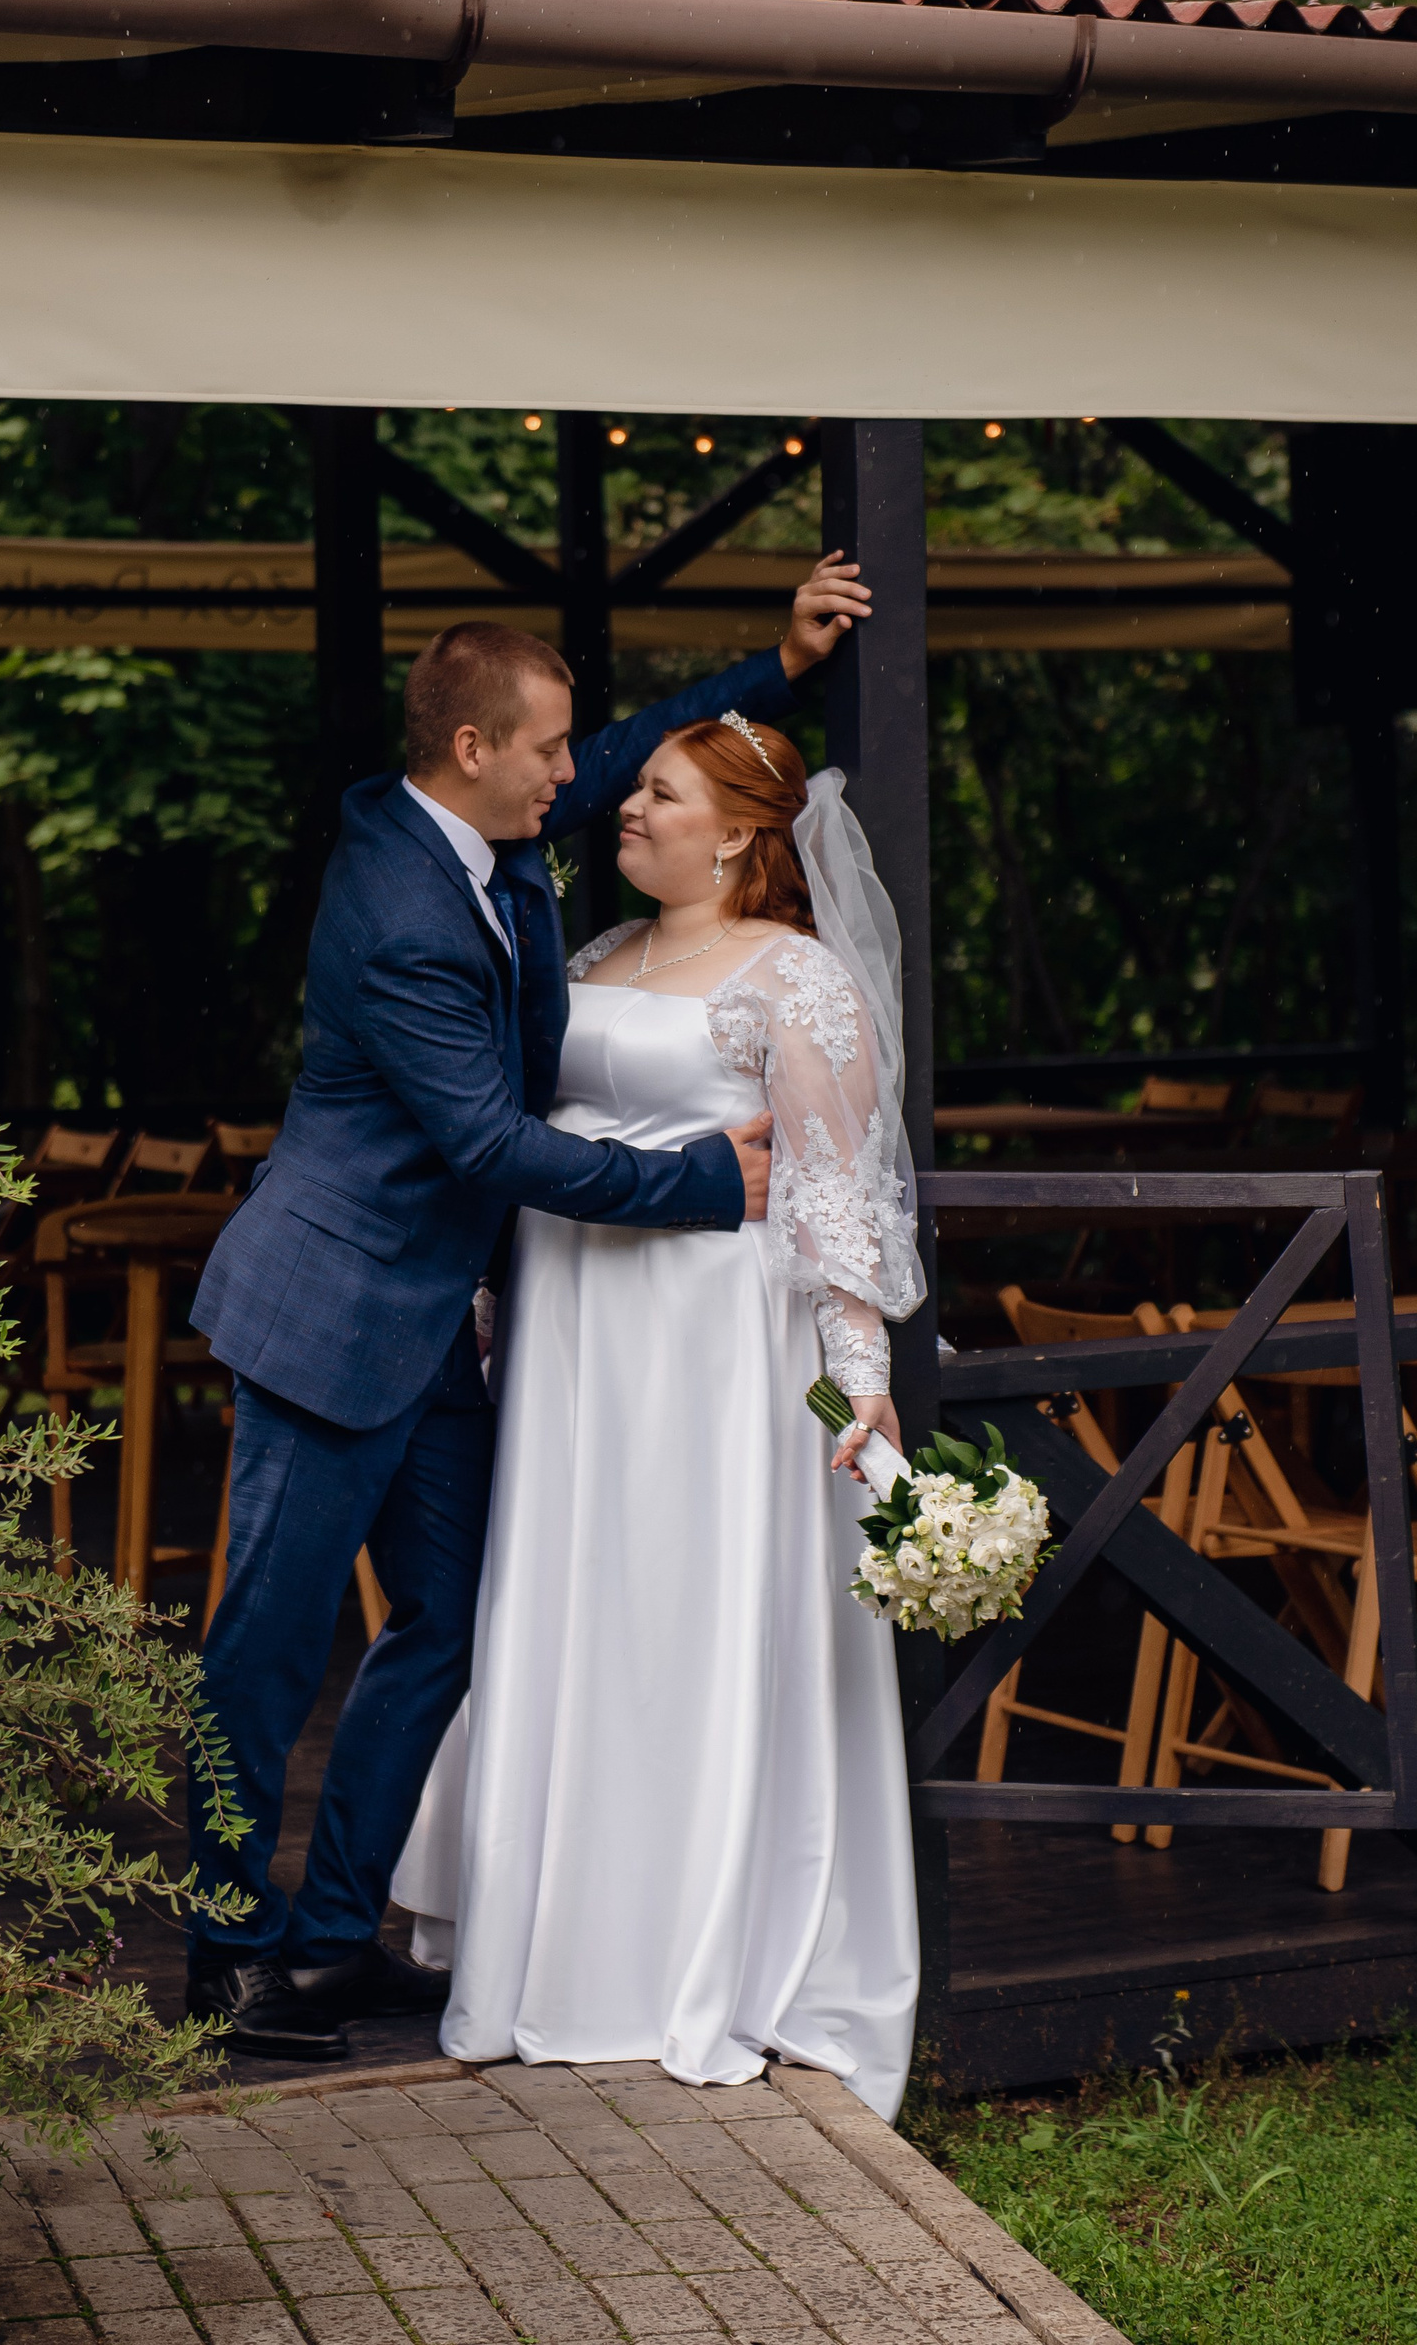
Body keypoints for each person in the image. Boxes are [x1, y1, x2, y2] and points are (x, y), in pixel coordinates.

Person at [185, 557, 871, 2061]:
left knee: (446, 1623)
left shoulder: (476, 822)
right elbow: (492, 1148)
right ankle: (226, 1953)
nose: (579, 774)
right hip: (331, 1311)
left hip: (435, 1326)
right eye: (551, 751)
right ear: (475, 750)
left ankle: (331, 1940)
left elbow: (630, 755)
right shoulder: (399, 909)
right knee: (268, 1650)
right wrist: (706, 1182)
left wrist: (775, 666)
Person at [391, 712, 926, 2115]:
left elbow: (835, 1196)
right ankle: (561, 1941)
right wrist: (493, 1313)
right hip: (574, 1337)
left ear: (739, 833)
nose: (626, 808)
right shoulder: (593, 959)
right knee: (578, 1607)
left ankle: (690, 1949)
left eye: (662, 795)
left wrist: (861, 1376)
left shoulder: (794, 977)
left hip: (708, 1345)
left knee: (690, 1613)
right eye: (633, 789)